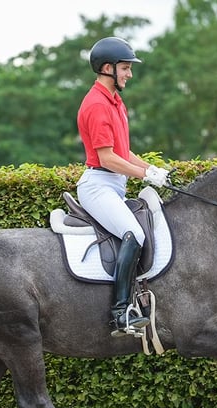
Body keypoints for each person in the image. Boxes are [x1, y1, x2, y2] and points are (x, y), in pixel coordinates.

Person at [76, 36, 169, 336]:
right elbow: (106, 159)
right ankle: (120, 313)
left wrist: (152, 169)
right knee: (135, 234)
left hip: (113, 185)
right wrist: (144, 177)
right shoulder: (96, 105)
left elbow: (123, 152)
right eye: (126, 68)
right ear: (107, 68)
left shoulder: (115, 102)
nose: (129, 74)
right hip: (98, 185)